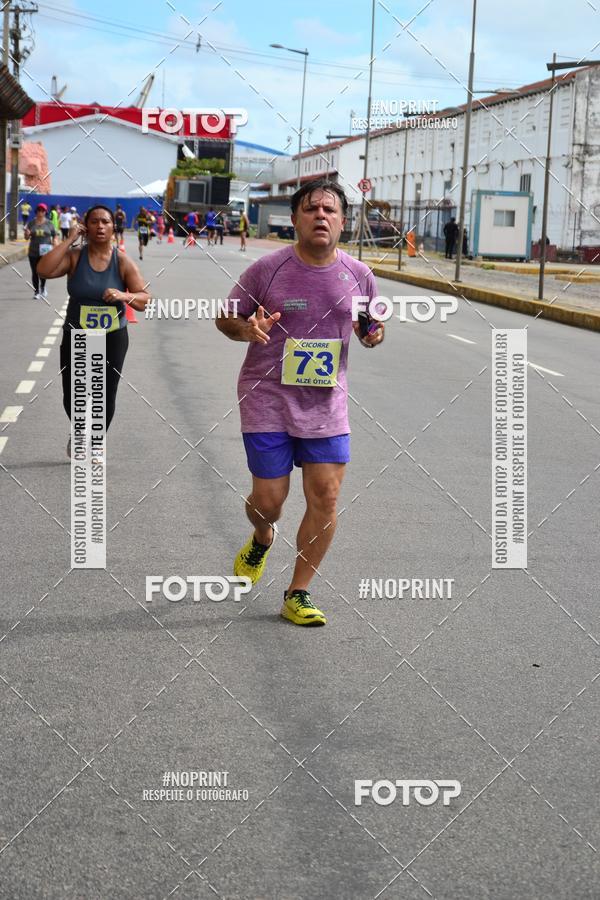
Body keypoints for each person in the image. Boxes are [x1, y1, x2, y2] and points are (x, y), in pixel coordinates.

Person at [216, 178, 384, 627]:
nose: (321, 216)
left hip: (326, 405)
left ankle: (298, 591)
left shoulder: (360, 275)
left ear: (344, 222)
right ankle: (261, 534)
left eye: (330, 210)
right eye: (311, 209)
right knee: (269, 500)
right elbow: (226, 318)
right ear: (294, 219)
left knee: (326, 497)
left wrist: (372, 333)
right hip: (267, 396)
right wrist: (245, 329)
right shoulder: (266, 270)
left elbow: (373, 327)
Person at [36, 205, 150, 456]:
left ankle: (97, 441)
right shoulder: (76, 257)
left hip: (113, 336)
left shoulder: (122, 261)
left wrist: (123, 294)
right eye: (95, 222)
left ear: (113, 228)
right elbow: (43, 270)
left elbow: (145, 300)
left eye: (106, 222)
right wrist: (69, 240)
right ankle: (78, 430)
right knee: (74, 392)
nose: (100, 226)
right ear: (85, 227)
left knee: (105, 392)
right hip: (77, 333)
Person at [25, 203, 58, 300]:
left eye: (42, 210)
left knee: (42, 271)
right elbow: (27, 237)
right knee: (34, 272)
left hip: (45, 251)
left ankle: (43, 287)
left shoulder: (49, 223)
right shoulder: (31, 223)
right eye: (39, 210)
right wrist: (27, 234)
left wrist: (55, 241)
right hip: (33, 251)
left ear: (45, 212)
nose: (40, 212)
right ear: (36, 211)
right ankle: (36, 291)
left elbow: (54, 234)